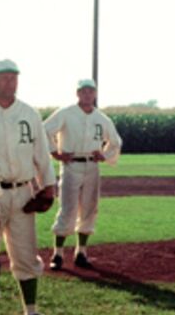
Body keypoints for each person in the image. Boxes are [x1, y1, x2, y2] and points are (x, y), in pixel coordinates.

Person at [0, 59, 56, 315]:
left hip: (23, 192)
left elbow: (42, 153)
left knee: (25, 252)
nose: (10, 82)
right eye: (5, 77)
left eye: (14, 77)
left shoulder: (29, 113)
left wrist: (48, 186)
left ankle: (31, 311)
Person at [43, 78, 122, 270]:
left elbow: (116, 141)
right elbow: (44, 130)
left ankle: (81, 252)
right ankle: (58, 254)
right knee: (68, 208)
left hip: (92, 166)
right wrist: (56, 153)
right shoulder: (66, 113)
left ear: (95, 94)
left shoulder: (101, 119)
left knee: (89, 208)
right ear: (77, 93)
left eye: (90, 91)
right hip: (71, 165)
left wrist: (104, 155)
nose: (87, 95)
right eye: (83, 91)